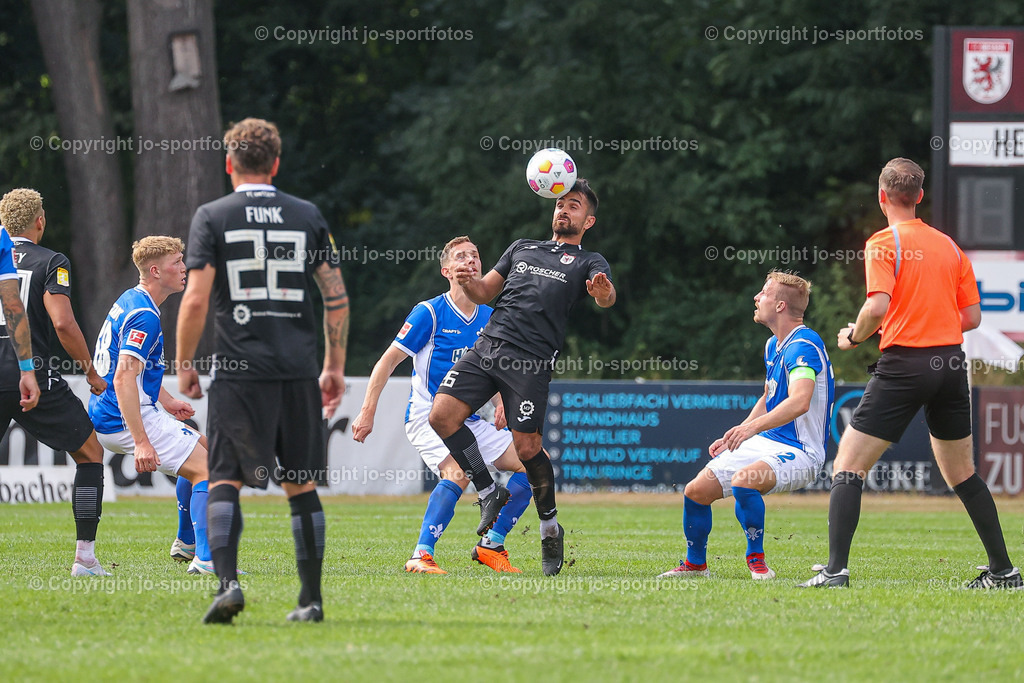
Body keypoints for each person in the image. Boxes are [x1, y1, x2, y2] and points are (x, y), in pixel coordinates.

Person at [799, 158, 1021, 589]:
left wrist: (855, 337)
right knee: (962, 473)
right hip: (951, 365)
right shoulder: (951, 247)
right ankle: (1003, 571)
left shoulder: (884, 243)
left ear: (882, 196)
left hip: (906, 364)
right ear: (920, 196)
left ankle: (834, 572)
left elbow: (877, 307)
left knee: (847, 464)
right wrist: (932, 321)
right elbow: (971, 317)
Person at [176, 117, 349, 624]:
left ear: (229, 164)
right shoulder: (307, 214)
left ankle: (228, 585)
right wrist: (333, 365)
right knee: (301, 484)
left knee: (225, 476)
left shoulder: (212, 215)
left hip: (238, 369)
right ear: (275, 164)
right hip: (296, 371)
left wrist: (186, 363)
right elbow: (335, 297)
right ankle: (311, 600)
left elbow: (194, 301)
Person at [428, 179, 615, 576]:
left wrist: (602, 292)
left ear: (588, 220)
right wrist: (465, 281)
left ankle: (549, 528)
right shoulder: (521, 247)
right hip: (489, 347)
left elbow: (606, 297)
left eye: (574, 206)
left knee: (528, 450)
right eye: (561, 203)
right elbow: (483, 293)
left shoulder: (589, 261)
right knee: (441, 416)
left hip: (530, 363)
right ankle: (487, 490)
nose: (564, 210)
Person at [352, 236, 532, 574]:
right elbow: (387, 362)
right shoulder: (430, 312)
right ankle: (421, 554)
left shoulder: (491, 317)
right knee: (458, 470)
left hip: (472, 418)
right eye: (461, 257)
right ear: (446, 270)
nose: (470, 261)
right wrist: (367, 410)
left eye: (476, 256)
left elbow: (492, 370)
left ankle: (491, 544)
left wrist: (501, 402)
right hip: (428, 416)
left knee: (534, 464)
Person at [659, 272, 834, 580]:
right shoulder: (773, 346)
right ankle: (696, 565)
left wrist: (751, 430)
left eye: (763, 293)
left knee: (744, 480)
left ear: (780, 306)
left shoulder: (803, 345)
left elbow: (800, 401)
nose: (756, 298)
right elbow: (769, 397)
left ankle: (757, 562)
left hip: (802, 451)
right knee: (696, 491)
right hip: (768, 442)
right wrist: (738, 432)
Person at [88, 236, 216, 575]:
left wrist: (168, 400)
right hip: (122, 416)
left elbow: (129, 368)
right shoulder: (145, 315)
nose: (184, 268)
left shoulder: (132, 300)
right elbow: (122, 379)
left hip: (113, 410)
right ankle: (206, 560)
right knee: (210, 471)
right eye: (177, 263)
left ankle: (187, 543)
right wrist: (141, 440)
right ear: (156, 271)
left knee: (205, 450)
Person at [0, 189, 105, 576]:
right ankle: (85, 558)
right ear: (39, 221)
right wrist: (91, 372)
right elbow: (62, 322)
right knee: (91, 454)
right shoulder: (52, 262)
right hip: (31, 373)